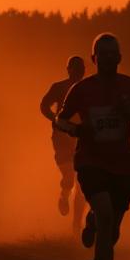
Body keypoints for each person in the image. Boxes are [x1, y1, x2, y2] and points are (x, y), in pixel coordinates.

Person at [53, 33, 130, 260]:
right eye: (102, 54)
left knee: (111, 234)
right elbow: (60, 120)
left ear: (120, 58)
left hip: (121, 166)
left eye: (113, 54)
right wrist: (76, 129)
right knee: (107, 216)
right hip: (90, 162)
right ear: (93, 58)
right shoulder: (82, 89)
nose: (108, 59)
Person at [39, 55, 87, 229]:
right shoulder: (59, 87)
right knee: (68, 176)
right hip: (61, 136)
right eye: (75, 68)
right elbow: (44, 105)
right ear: (68, 70)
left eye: (81, 69)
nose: (79, 72)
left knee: (81, 184)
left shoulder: (89, 88)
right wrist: (54, 119)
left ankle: (76, 224)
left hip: (82, 137)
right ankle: (64, 194)